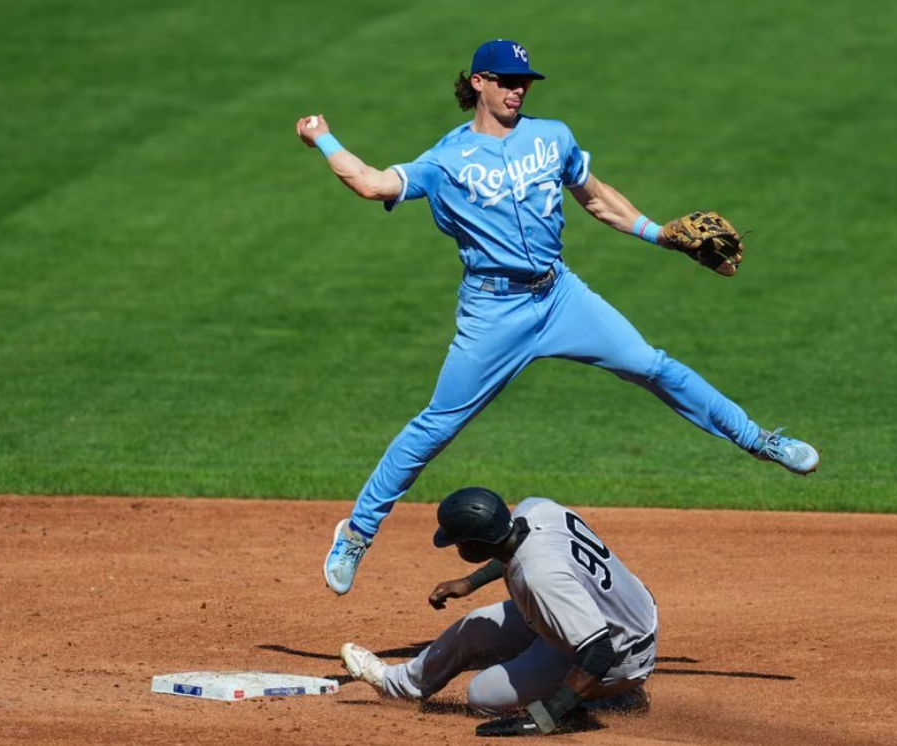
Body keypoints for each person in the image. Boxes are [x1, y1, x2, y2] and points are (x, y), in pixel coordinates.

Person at [295, 39, 819, 595]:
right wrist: (322, 136)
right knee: (437, 427)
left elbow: (595, 197)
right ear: (478, 83)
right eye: (506, 80)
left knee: (653, 365)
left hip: (561, 296)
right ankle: (356, 531)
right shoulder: (445, 161)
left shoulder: (552, 137)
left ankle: (759, 440)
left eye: (524, 81)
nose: (518, 89)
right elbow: (370, 182)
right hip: (494, 312)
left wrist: (657, 232)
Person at [340, 487, 658, 736]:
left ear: (476, 545)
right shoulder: (538, 509)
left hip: (618, 654)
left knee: (483, 696)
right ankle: (397, 685)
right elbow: (517, 547)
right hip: (619, 612)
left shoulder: (540, 578)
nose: (455, 548)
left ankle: (614, 697)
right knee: (476, 626)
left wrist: (548, 717)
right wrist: (471, 580)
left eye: (458, 543)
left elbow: (597, 651)